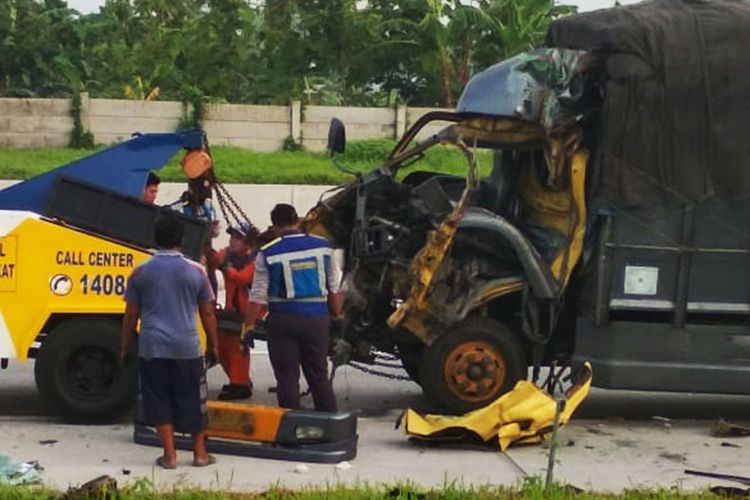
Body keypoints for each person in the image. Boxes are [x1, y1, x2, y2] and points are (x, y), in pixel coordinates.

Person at [120, 212, 220, 469]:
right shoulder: (195, 271)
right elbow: (207, 312)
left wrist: (125, 346)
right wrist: (214, 344)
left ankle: (170, 456)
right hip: (187, 348)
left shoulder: (140, 272)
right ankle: (199, 455)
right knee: (193, 400)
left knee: (159, 399)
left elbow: (131, 314)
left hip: (153, 347)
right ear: (182, 239)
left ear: (155, 238)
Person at [241, 204, 342, 413]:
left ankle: (291, 430)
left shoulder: (268, 252)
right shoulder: (324, 248)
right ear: (298, 221)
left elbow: (258, 295)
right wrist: (338, 319)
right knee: (318, 376)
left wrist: (248, 326)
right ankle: (331, 426)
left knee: (287, 378)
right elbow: (334, 289)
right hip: (317, 320)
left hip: (282, 321)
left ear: (275, 227)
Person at [206, 223, 258, 400]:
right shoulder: (228, 254)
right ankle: (239, 380)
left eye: (238, 238)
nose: (233, 241)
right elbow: (214, 260)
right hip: (233, 309)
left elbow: (242, 278)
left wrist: (225, 266)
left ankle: (241, 384)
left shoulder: (255, 259)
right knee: (220, 343)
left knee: (238, 345)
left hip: (252, 309)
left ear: (248, 242)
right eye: (232, 237)